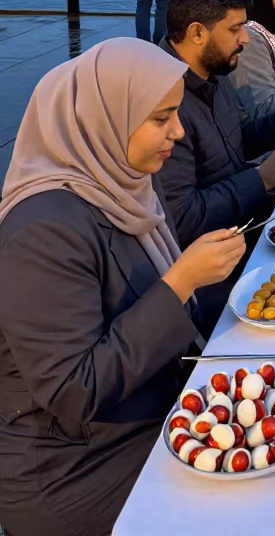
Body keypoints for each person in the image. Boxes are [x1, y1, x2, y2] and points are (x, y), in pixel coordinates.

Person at [0, 39, 246, 536]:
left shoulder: (123, 181)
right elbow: (74, 390)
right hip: (75, 462)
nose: (177, 133)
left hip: (146, 400)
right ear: (103, 117)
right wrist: (181, 283)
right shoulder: (42, 231)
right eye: (161, 118)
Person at [157, 0, 275, 330]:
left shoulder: (213, 74)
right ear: (197, 32)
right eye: (235, 29)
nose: (245, 39)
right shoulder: (164, 106)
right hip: (214, 267)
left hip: (246, 221)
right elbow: (181, 221)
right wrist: (261, 179)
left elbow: (233, 143)